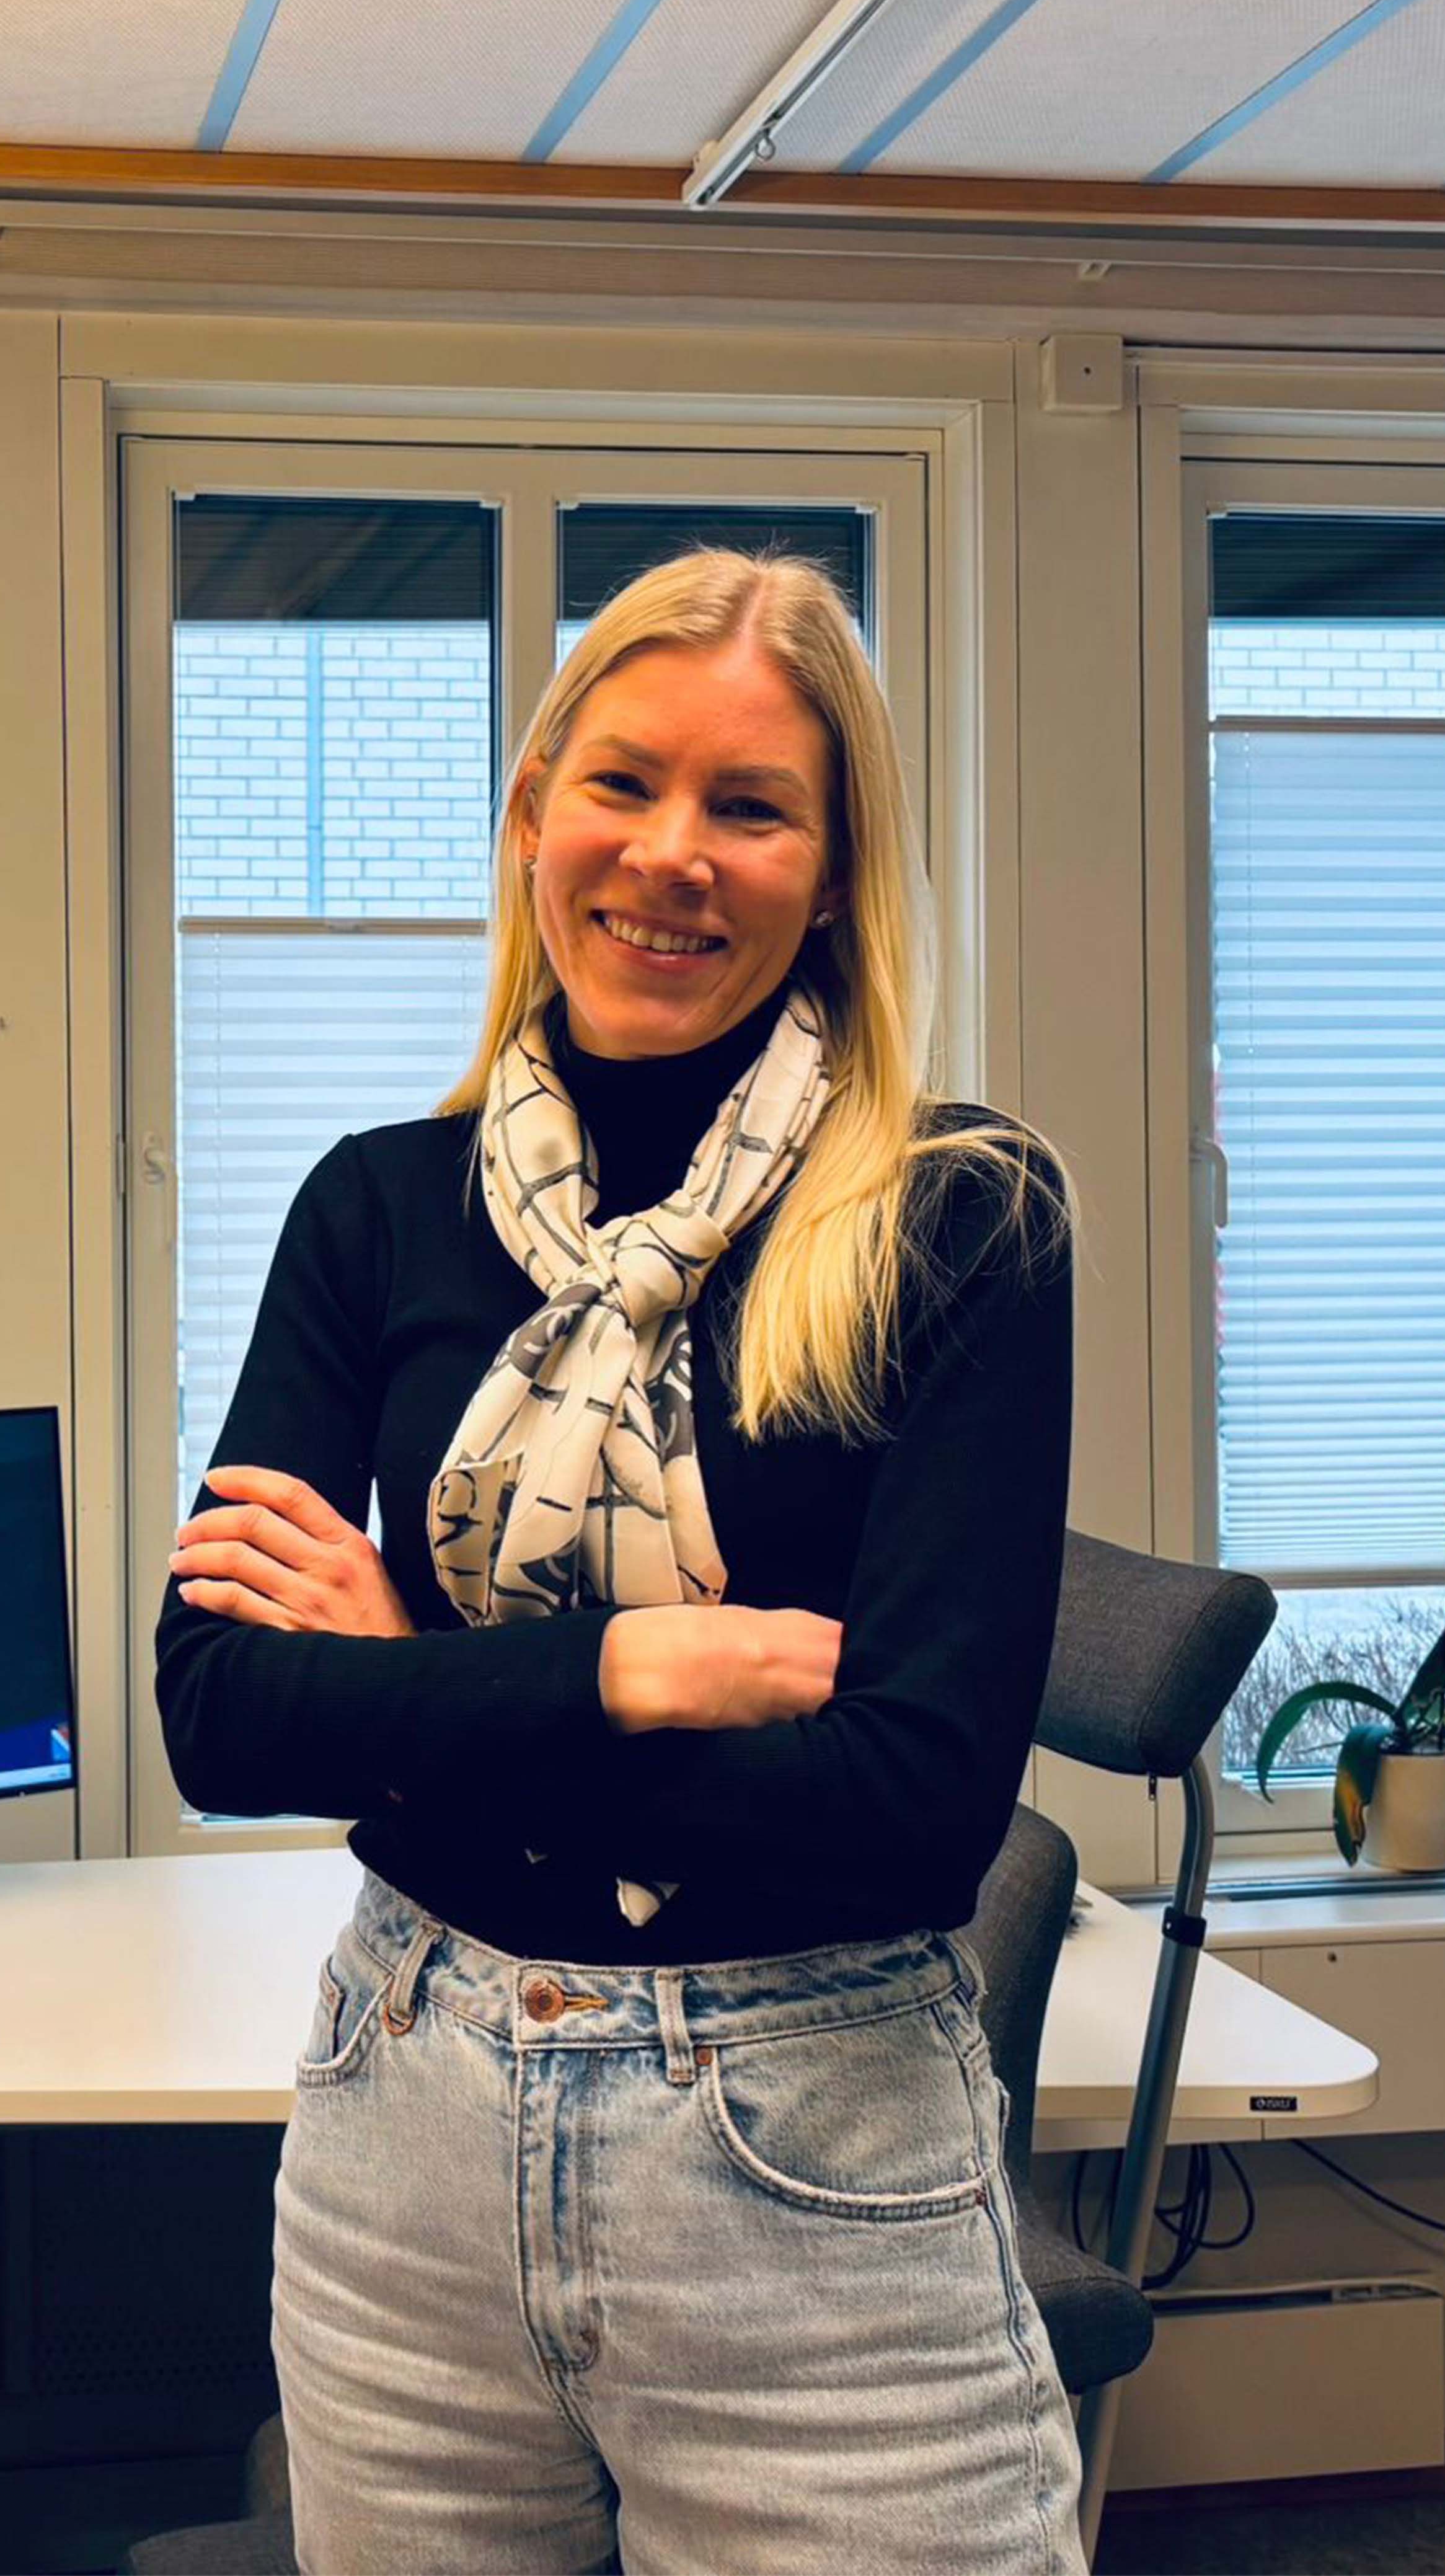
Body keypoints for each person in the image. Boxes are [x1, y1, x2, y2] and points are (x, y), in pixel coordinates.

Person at [153, 547, 1084, 2572]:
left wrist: (404, 1673)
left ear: (833, 871)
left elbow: (915, 1817)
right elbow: (220, 1711)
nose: (674, 856)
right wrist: (628, 1671)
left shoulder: (961, 1220)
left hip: (808, 2144)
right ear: (532, 817)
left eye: (751, 807)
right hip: (405, 2115)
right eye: (625, 785)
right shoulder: (377, 1208)